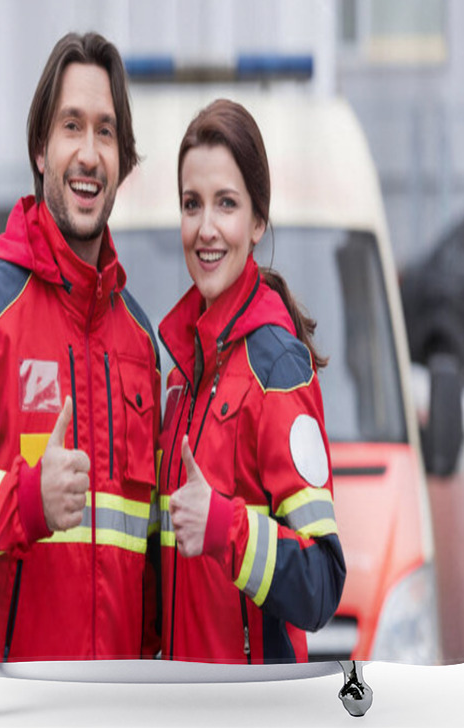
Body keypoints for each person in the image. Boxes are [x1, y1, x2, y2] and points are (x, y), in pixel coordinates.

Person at [0, 32, 161, 664]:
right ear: (40, 151)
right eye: (71, 126)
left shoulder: (141, 342)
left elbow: (153, 568)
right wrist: (27, 501)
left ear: (123, 162)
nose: (89, 153)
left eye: (105, 132)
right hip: (16, 704)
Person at [158, 99, 346, 663]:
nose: (207, 228)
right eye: (192, 205)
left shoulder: (278, 371)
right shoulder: (180, 379)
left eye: (227, 204)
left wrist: (225, 526)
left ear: (257, 222)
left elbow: (321, 583)